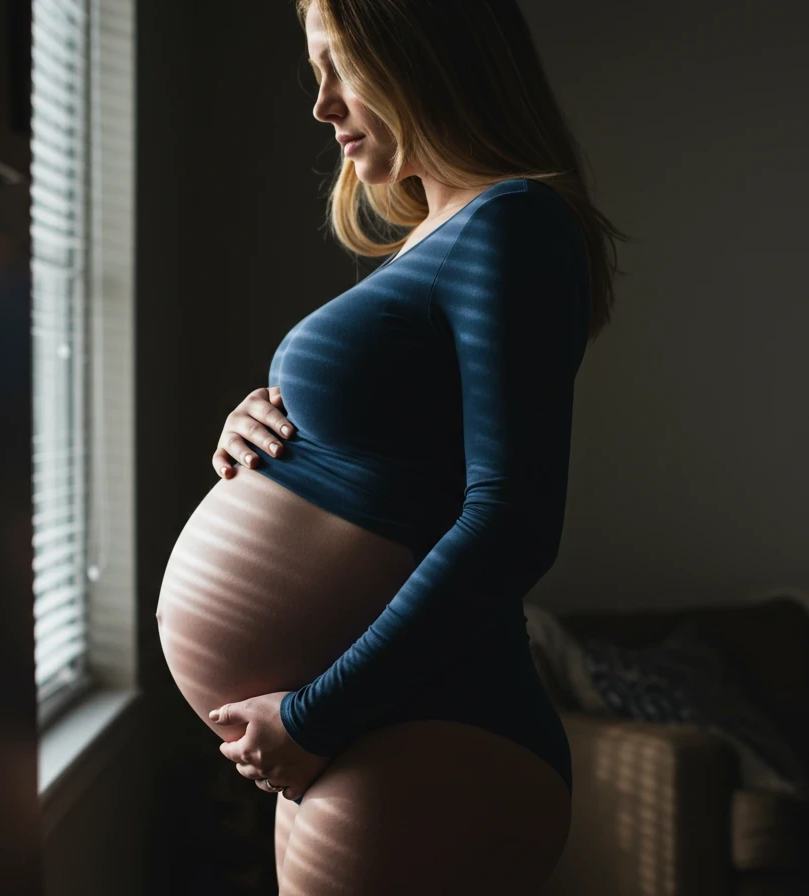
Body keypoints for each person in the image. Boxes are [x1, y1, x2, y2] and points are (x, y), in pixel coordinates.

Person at [155, 1, 627, 892]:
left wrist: (315, 719)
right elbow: (405, 445)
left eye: (342, 67)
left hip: (419, 726)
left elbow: (513, 521)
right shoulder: (442, 233)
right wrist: (257, 429)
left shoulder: (514, 222)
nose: (322, 104)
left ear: (426, 55)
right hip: (367, 732)